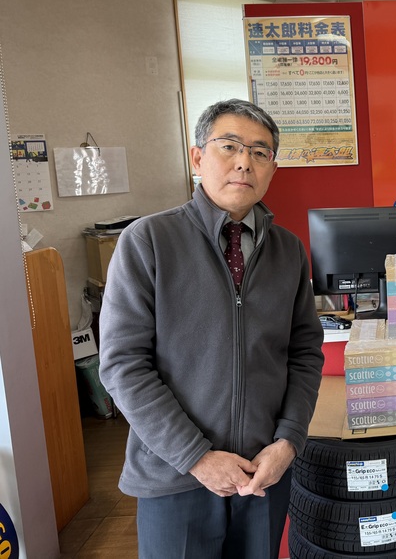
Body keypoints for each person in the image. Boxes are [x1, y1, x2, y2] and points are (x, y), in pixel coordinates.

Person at [99, 99, 325, 559]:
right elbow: (123, 365)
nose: (244, 162)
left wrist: (288, 441)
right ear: (198, 157)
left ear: (272, 169)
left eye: (260, 152)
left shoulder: (288, 250)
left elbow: (304, 353)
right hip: (175, 475)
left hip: (261, 474)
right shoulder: (148, 241)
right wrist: (196, 457)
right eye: (230, 146)